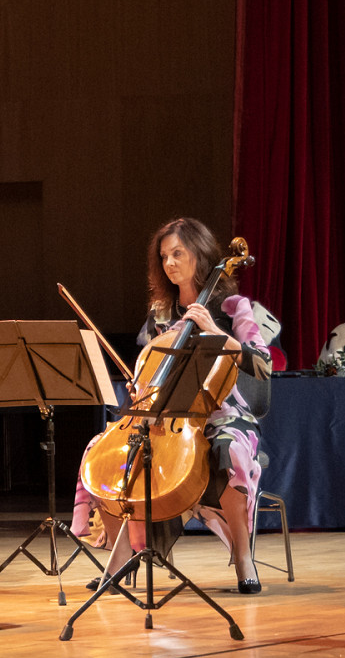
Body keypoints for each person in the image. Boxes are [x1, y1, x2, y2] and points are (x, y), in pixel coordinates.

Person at [71, 217, 272, 594]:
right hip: (164, 417)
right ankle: (120, 556)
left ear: (200, 253)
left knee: (230, 450)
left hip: (222, 413)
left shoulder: (233, 307)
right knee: (104, 454)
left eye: (178, 253)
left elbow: (263, 364)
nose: (170, 263)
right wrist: (139, 384)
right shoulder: (161, 313)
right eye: (164, 256)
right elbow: (149, 367)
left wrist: (215, 332)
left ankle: (244, 557)